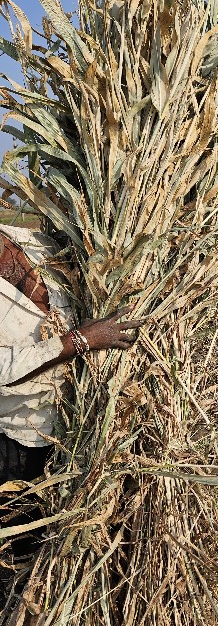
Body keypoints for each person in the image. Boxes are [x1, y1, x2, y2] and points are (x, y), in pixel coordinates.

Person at [0, 223, 144, 560]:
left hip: (84, 412)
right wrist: (83, 341)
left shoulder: (28, 238)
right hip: (26, 432)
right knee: (24, 538)